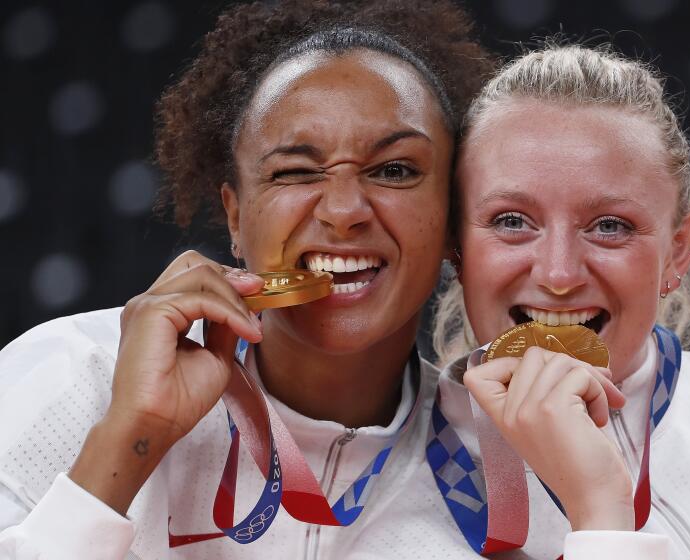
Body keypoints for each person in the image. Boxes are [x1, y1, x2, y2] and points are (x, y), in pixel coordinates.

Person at [0, 1, 497, 558]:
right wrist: (129, 438)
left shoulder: (501, 469)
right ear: (236, 217)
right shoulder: (70, 376)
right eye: (295, 171)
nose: (344, 210)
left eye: (394, 170)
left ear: (454, 213)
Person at [433, 44, 690, 559]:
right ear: (455, 245)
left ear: (678, 247)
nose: (558, 274)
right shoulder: (380, 495)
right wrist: (599, 511)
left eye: (610, 226)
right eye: (512, 221)